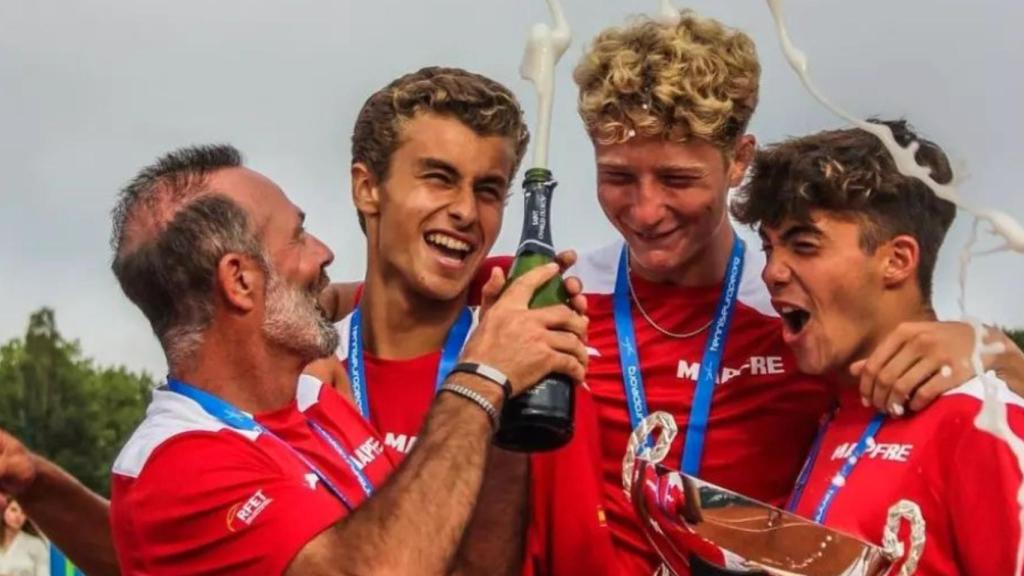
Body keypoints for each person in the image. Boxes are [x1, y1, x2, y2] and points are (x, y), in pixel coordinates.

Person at [732, 119, 1024, 574]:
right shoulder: (835, 407)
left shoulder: (982, 423)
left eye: (804, 246)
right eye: (769, 248)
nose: (772, 271)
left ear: (897, 260)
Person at [0, 500, 48, 576]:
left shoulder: (36, 545)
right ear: (3, 511)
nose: (18, 516)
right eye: (13, 510)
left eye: (23, 512)